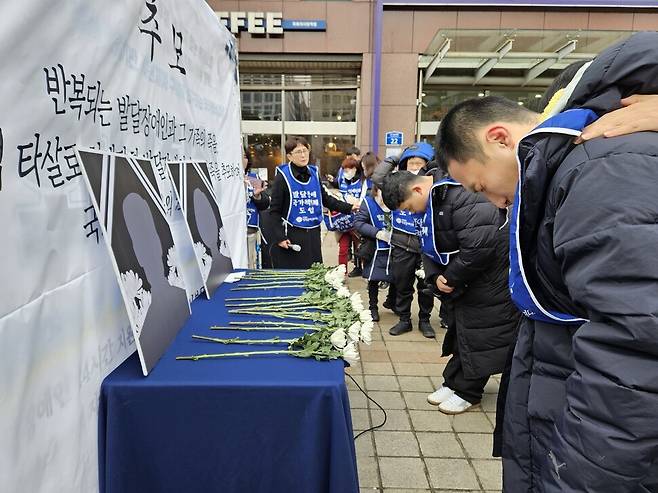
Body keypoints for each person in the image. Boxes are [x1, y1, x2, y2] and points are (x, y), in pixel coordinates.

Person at [435, 32, 658, 491]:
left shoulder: (599, 166)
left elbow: (633, 349)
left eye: (480, 187)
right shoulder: (566, 167)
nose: (496, 203)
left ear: (498, 138)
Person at [379, 165, 519, 414]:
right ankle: (454, 383)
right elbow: (428, 243)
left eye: (410, 207)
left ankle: (469, 392)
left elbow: (480, 246)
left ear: (418, 188)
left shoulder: (461, 192)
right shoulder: (433, 200)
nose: (412, 213)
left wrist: (451, 277)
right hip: (465, 279)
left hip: (487, 279)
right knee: (462, 331)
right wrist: (435, 277)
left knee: (481, 335)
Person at [373, 142, 435, 338]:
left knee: (426, 286)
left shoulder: (430, 186)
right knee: (402, 284)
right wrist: (396, 157)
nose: (415, 166)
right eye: (411, 162)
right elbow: (378, 177)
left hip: (425, 246)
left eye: (419, 163)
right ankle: (404, 319)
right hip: (401, 243)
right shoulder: (396, 183)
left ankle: (425, 320)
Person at [269, 136, 357, 269]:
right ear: (289, 156)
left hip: (314, 234)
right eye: (298, 152)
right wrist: (280, 237)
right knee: (296, 277)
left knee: (314, 273)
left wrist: (350, 208)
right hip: (293, 234)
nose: (303, 155)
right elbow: (274, 211)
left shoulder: (314, 173)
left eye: (305, 150)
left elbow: (326, 199)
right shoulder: (283, 176)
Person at [353, 184, 394, 322]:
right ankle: (373, 307)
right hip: (375, 247)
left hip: (395, 248)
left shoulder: (397, 201)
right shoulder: (368, 202)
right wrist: (377, 233)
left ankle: (393, 302)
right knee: (374, 279)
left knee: (398, 277)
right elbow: (358, 223)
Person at [329, 157, 364, 277]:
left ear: (356, 169)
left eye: (350, 168)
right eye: (345, 169)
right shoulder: (342, 180)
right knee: (343, 249)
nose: (347, 171)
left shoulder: (361, 182)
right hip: (342, 220)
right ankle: (342, 272)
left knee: (359, 247)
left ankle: (359, 268)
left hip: (357, 220)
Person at [243, 147, 270, 269]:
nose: (241, 160)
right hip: (230, 230)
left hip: (250, 229)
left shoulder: (253, 177)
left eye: (244, 156)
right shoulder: (224, 179)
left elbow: (265, 203)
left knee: (250, 263)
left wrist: (257, 195)